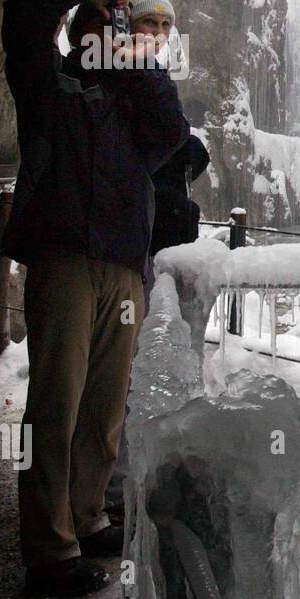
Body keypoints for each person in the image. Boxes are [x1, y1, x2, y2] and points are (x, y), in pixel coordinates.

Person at [1, 0, 188, 597]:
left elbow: (171, 130)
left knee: (104, 408)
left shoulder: (136, 106)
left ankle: (86, 517)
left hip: (122, 265)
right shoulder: (49, 86)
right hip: (65, 260)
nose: (106, 39)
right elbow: (23, 21)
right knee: (56, 402)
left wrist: (130, 50)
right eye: (99, 30)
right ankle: (49, 549)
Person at [103, 129, 209, 521]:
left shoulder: (151, 161)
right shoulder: (171, 186)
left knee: (131, 383)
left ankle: (121, 488)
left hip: (143, 272)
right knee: (132, 384)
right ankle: (119, 491)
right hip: (145, 278)